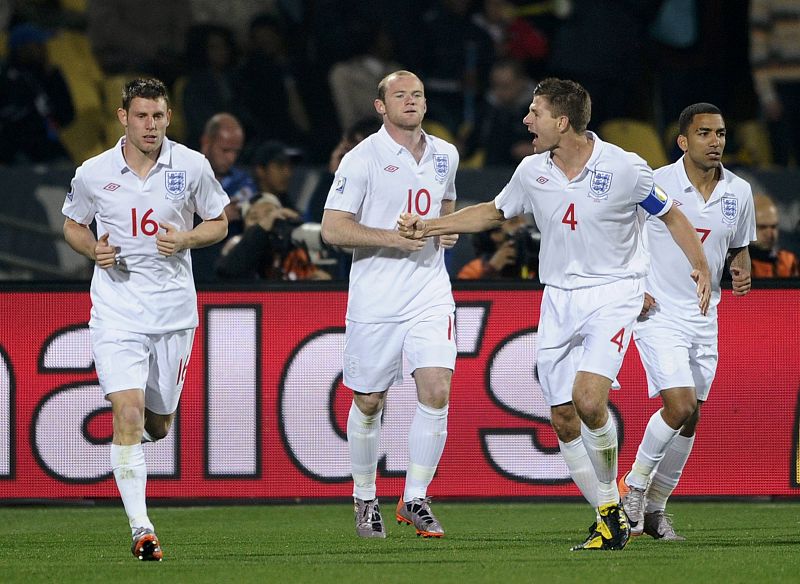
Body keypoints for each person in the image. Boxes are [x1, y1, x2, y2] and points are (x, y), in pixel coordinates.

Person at [398, 77, 711, 551]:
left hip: (613, 294)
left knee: (589, 400)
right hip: (558, 299)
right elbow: (493, 212)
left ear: (562, 121)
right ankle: (610, 514)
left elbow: (669, 214)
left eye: (535, 112)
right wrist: (430, 226)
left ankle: (613, 508)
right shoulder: (531, 171)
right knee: (564, 417)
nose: (527, 120)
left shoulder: (625, 168)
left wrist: (701, 266)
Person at [62, 78, 229, 561]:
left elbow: (218, 221)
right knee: (128, 412)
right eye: (141, 116)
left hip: (174, 315)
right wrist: (93, 248)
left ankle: (146, 445)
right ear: (122, 118)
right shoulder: (94, 172)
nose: (150, 125)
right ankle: (142, 528)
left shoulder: (191, 166)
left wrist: (187, 240)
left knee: (157, 423)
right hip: (117, 312)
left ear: (168, 118)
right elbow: (73, 223)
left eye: (157, 116)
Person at [321, 70, 460, 539]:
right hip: (377, 296)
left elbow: (446, 209)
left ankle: (415, 498)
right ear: (381, 106)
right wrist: (391, 238)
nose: (411, 101)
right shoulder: (362, 159)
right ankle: (364, 498)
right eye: (400, 95)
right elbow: (333, 228)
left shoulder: (446, 154)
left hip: (430, 290)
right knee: (369, 399)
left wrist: (447, 227)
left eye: (418, 93)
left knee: (437, 387)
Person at [618, 103, 756, 541]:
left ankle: (657, 510)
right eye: (705, 133)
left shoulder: (740, 191)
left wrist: (741, 265)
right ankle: (634, 486)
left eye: (720, 133)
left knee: (690, 416)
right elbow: (623, 238)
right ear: (683, 141)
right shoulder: (655, 183)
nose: (715, 141)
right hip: (657, 312)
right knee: (679, 406)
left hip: (704, 313)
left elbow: (737, 243)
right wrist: (632, 287)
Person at [193, 112, 257, 280]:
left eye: (236, 152)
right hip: (194, 268)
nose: (231, 158)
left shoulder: (244, 183)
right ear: (206, 141)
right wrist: (218, 217)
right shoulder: (186, 177)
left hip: (231, 273)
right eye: (225, 150)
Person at [216, 193, 332, 280]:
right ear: (244, 225)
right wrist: (260, 231)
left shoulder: (295, 247)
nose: (264, 221)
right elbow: (227, 272)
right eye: (254, 218)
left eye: (269, 214)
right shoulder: (236, 244)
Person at [457, 215, 538, 280]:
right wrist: (491, 270)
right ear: (495, 234)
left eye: (524, 221)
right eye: (514, 222)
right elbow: (462, 296)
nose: (522, 226)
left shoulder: (539, 262)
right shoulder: (475, 269)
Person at [748, 192, 800, 278]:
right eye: (762, 227)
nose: (769, 234)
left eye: (773, 226)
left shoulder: (789, 262)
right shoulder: (733, 265)